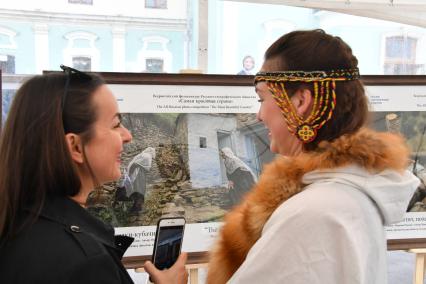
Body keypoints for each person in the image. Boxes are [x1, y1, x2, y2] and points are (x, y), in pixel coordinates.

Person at [207, 29, 420, 284]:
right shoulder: (349, 194)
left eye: (262, 98)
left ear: (300, 101)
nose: (259, 115)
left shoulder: (312, 213)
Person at [0, 65, 188, 283]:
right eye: (116, 124)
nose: (127, 136)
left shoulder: (16, 223)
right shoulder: (86, 264)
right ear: (76, 147)